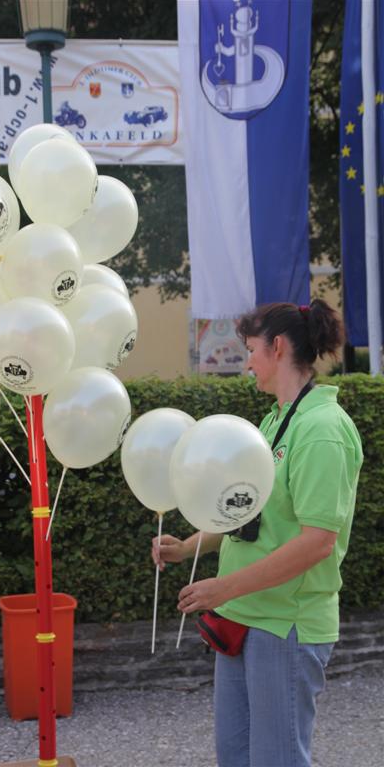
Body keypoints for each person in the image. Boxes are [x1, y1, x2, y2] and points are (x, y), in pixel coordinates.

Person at [152, 300, 363, 767]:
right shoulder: (275, 422)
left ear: (279, 347)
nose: (246, 362)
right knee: (237, 756)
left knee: (277, 760)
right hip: (245, 618)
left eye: (250, 349)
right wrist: (187, 548)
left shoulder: (322, 429)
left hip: (285, 625)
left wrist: (222, 586)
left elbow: (317, 542)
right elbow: (244, 512)